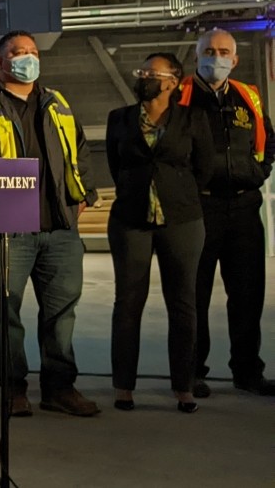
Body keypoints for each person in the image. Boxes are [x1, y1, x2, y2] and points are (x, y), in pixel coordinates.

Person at [0, 30, 100, 418]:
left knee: (61, 314)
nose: (26, 58)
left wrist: (81, 199)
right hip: (4, 232)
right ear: (0, 63)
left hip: (59, 230)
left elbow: (80, 153)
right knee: (6, 313)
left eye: (32, 52)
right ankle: (13, 389)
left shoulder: (58, 104)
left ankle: (59, 388)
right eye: (17, 53)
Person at [105, 52, 213, 413]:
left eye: (151, 73)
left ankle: (183, 387)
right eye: (142, 73)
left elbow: (204, 168)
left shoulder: (193, 118)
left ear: (172, 82)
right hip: (130, 220)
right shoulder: (118, 119)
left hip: (182, 220)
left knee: (183, 303)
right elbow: (114, 164)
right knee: (128, 302)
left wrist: (175, 192)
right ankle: (123, 387)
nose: (144, 78)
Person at [179, 28, 275, 397]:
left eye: (223, 52)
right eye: (209, 51)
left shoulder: (248, 97)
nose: (215, 58)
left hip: (245, 207)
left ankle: (248, 370)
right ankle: (192, 372)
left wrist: (258, 173)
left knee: (249, 294)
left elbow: (269, 144)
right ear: (196, 55)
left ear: (234, 60)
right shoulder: (181, 98)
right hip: (199, 208)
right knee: (194, 294)